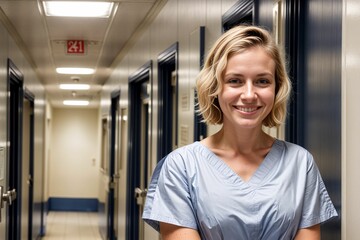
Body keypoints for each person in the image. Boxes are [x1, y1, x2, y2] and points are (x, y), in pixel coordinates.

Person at [142, 25, 338, 240]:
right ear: (215, 87)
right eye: (235, 81)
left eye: (262, 81)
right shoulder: (181, 167)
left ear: (277, 88)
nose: (249, 95)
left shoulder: (300, 163)